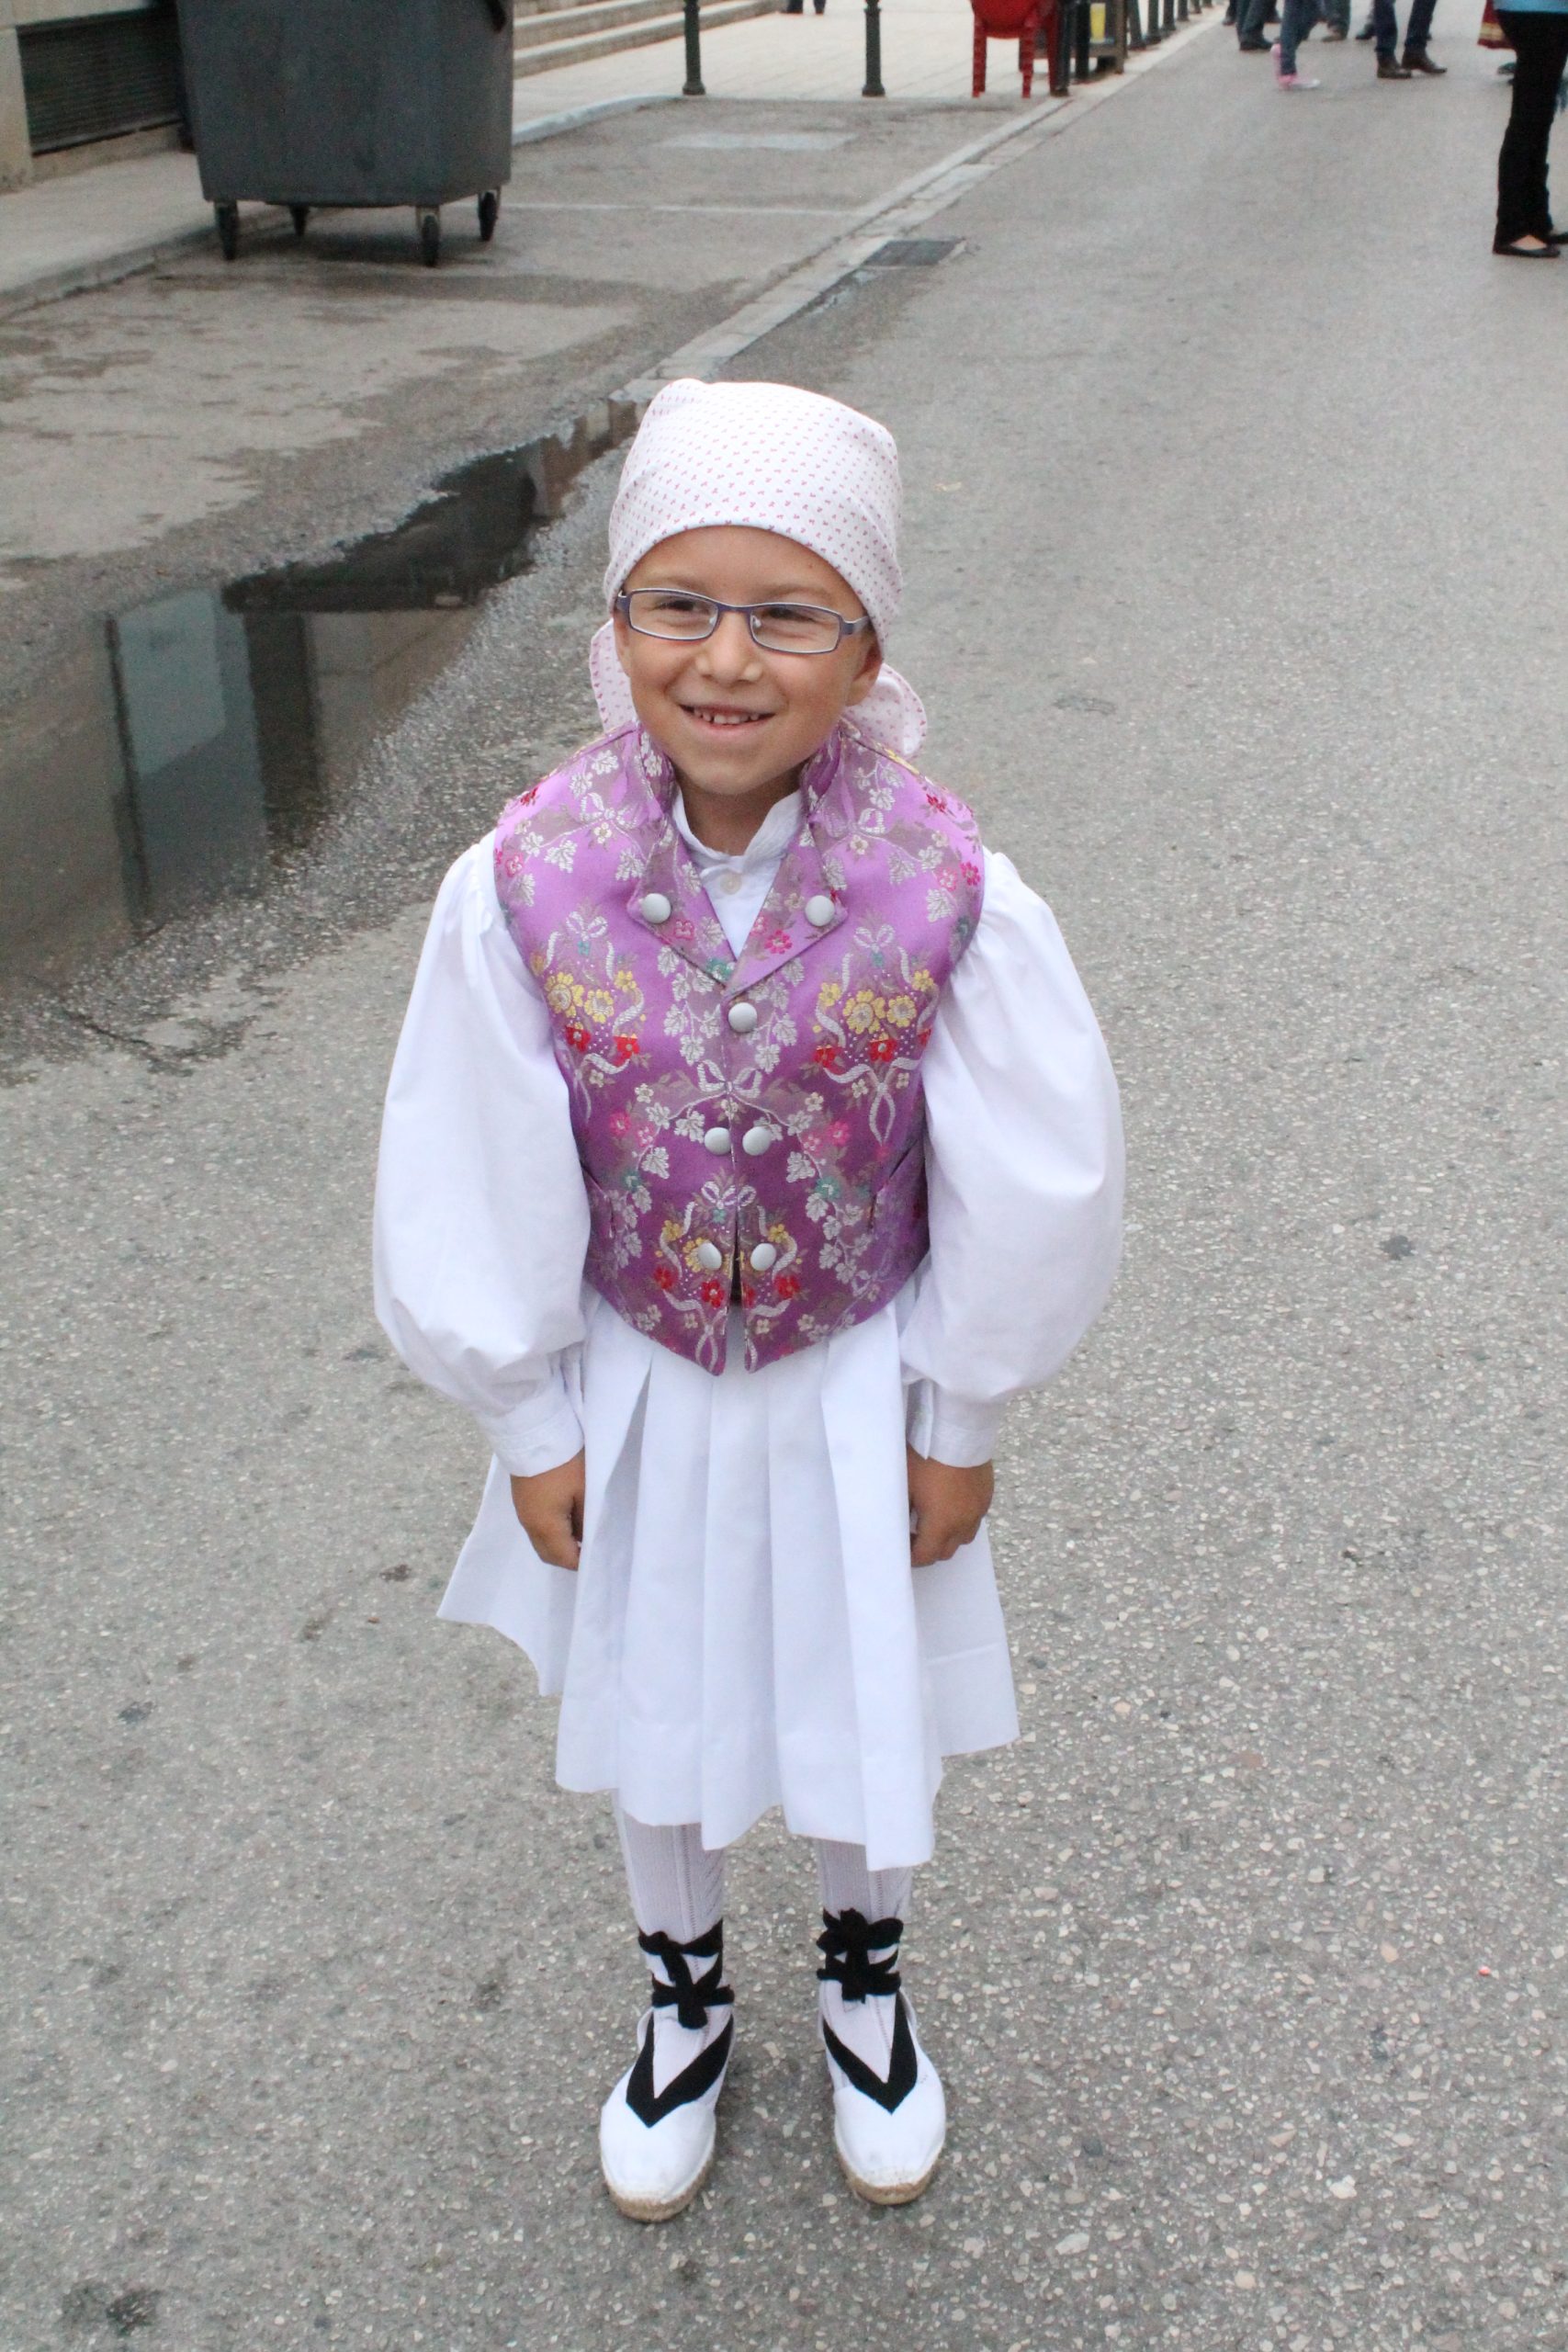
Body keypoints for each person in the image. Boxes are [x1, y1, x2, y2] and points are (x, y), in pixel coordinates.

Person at [373, 379, 1123, 2223]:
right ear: (616, 619)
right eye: (678, 603)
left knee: (858, 1685)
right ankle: (681, 1989)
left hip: (853, 1366)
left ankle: (864, 1975)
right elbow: (472, 1157)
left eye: (786, 614)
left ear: (863, 647)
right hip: (637, 1374)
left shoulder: (944, 889)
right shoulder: (523, 881)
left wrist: (961, 1412)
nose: (724, 659)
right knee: (662, 1692)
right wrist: (527, 1414)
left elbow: (1028, 1175)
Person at [1493, 0, 1568, 251]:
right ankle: (1512, 228)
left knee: (1539, 119)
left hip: (1541, 11)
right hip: (1535, 11)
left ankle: (1535, 219)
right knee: (1529, 120)